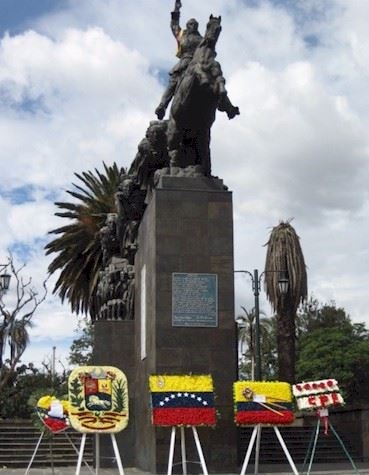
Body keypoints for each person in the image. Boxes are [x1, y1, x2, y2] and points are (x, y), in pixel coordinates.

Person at [155, 0, 202, 120]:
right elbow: (174, 24)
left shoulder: (202, 39)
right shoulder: (182, 35)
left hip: (197, 64)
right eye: (190, 24)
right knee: (172, 83)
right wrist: (177, 9)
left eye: (194, 24)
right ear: (187, 26)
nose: (192, 25)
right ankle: (162, 106)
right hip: (183, 62)